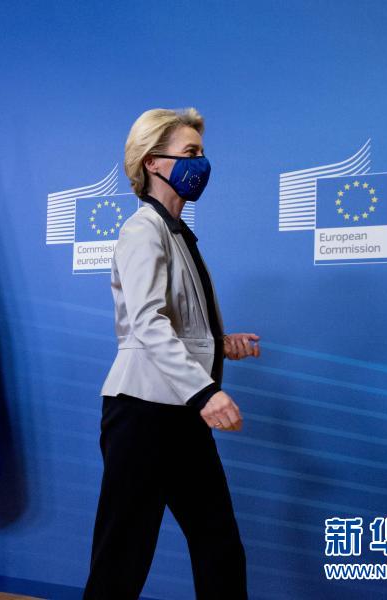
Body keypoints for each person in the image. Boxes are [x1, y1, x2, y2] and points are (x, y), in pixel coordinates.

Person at [84, 108, 260, 599]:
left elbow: (174, 324)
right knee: (122, 556)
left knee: (219, 544)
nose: (201, 163)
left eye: (201, 152)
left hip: (180, 414)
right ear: (152, 162)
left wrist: (218, 344)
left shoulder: (177, 233)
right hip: (142, 414)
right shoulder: (142, 230)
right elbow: (146, 324)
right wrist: (206, 392)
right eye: (190, 152)